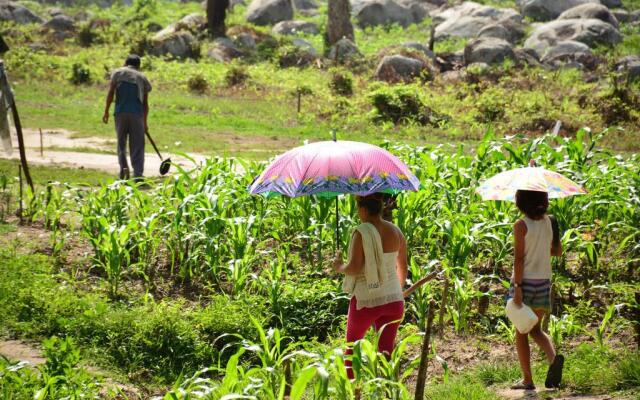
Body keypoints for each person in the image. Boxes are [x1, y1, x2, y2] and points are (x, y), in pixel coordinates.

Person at [333, 193, 408, 380]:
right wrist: (396, 292)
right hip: (394, 301)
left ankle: (351, 390)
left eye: (358, 207)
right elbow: (403, 266)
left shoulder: (362, 232)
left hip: (366, 300)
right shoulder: (396, 231)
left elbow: (355, 267)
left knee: (352, 347)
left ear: (364, 209)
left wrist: (338, 266)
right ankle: (386, 389)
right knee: (386, 352)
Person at [509, 189, 564, 390]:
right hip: (543, 283)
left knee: (522, 331)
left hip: (525, 283)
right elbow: (557, 251)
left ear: (521, 202)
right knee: (536, 329)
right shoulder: (549, 222)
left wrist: (517, 287)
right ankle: (553, 359)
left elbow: (519, 258)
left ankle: (527, 380)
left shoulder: (521, 225)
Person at [102, 54, 152, 180]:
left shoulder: (117, 73)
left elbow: (111, 93)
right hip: (137, 115)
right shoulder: (142, 77)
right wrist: (144, 123)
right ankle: (138, 175)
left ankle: (124, 171)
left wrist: (106, 111)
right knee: (137, 145)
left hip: (120, 113)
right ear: (138, 66)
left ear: (125, 63)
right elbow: (145, 104)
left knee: (121, 143)